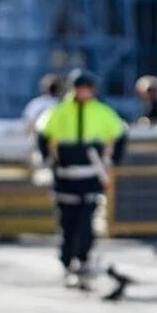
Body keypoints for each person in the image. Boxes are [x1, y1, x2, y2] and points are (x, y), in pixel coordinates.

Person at [36, 69, 128, 290]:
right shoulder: (59, 111)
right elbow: (42, 133)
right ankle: (67, 262)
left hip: (90, 176)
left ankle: (83, 260)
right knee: (67, 223)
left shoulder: (101, 111)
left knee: (86, 222)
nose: (85, 92)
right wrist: (48, 159)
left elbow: (121, 133)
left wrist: (114, 159)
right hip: (65, 176)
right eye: (81, 88)